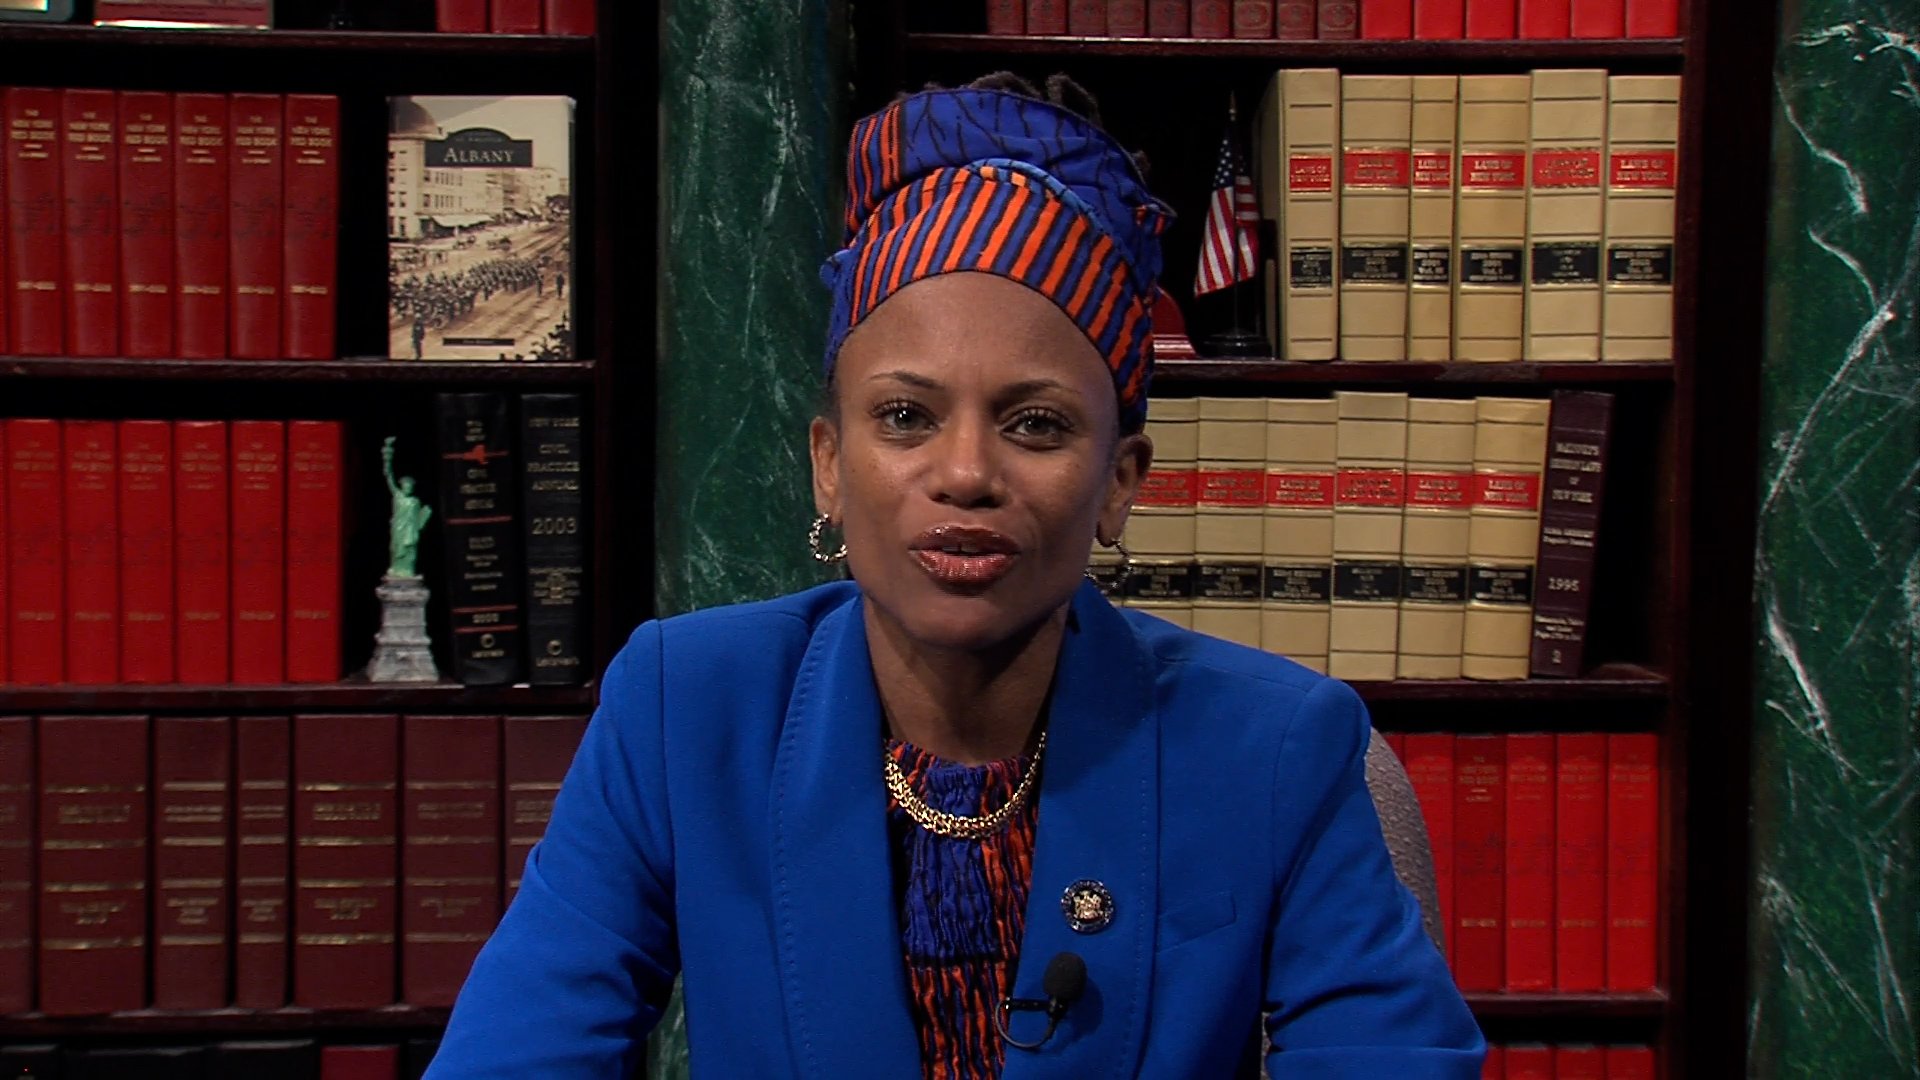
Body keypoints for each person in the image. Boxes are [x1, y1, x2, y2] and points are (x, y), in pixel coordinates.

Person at [426, 74, 1482, 1079]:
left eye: (1037, 424)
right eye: (905, 417)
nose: (967, 473)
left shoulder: (1279, 748)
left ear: (1119, 483)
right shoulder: (683, 709)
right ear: (829, 466)